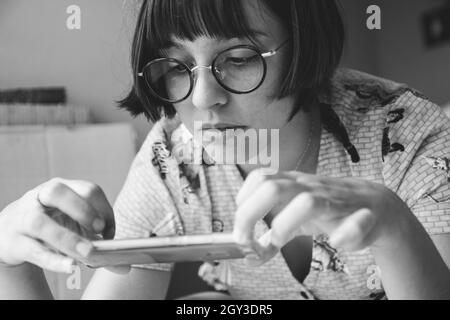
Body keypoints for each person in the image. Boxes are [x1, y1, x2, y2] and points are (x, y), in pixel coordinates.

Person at [1, 0, 449, 300]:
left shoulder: (412, 141)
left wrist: (395, 229)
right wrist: (11, 266)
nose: (200, 100)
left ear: (305, 46)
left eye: (238, 59)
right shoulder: (173, 156)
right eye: (176, 66)